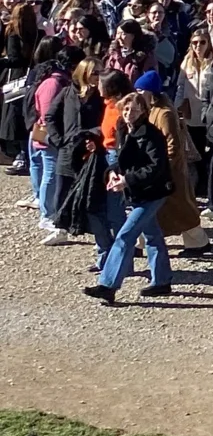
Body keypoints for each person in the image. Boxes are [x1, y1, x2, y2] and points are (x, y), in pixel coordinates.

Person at [81, 92, 172, 304]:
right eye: (127, 109)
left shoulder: (151, 135)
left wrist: (127, 180)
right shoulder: (125, 130)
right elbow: (122, 161)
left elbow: (156, 168)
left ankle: (108, 285)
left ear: (144, 111)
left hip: (153, 192)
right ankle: (162, 281)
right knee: (152, 236)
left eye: (135, 109)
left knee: (125, 235)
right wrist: (112, 172)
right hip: (139, 192)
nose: (130, 113)